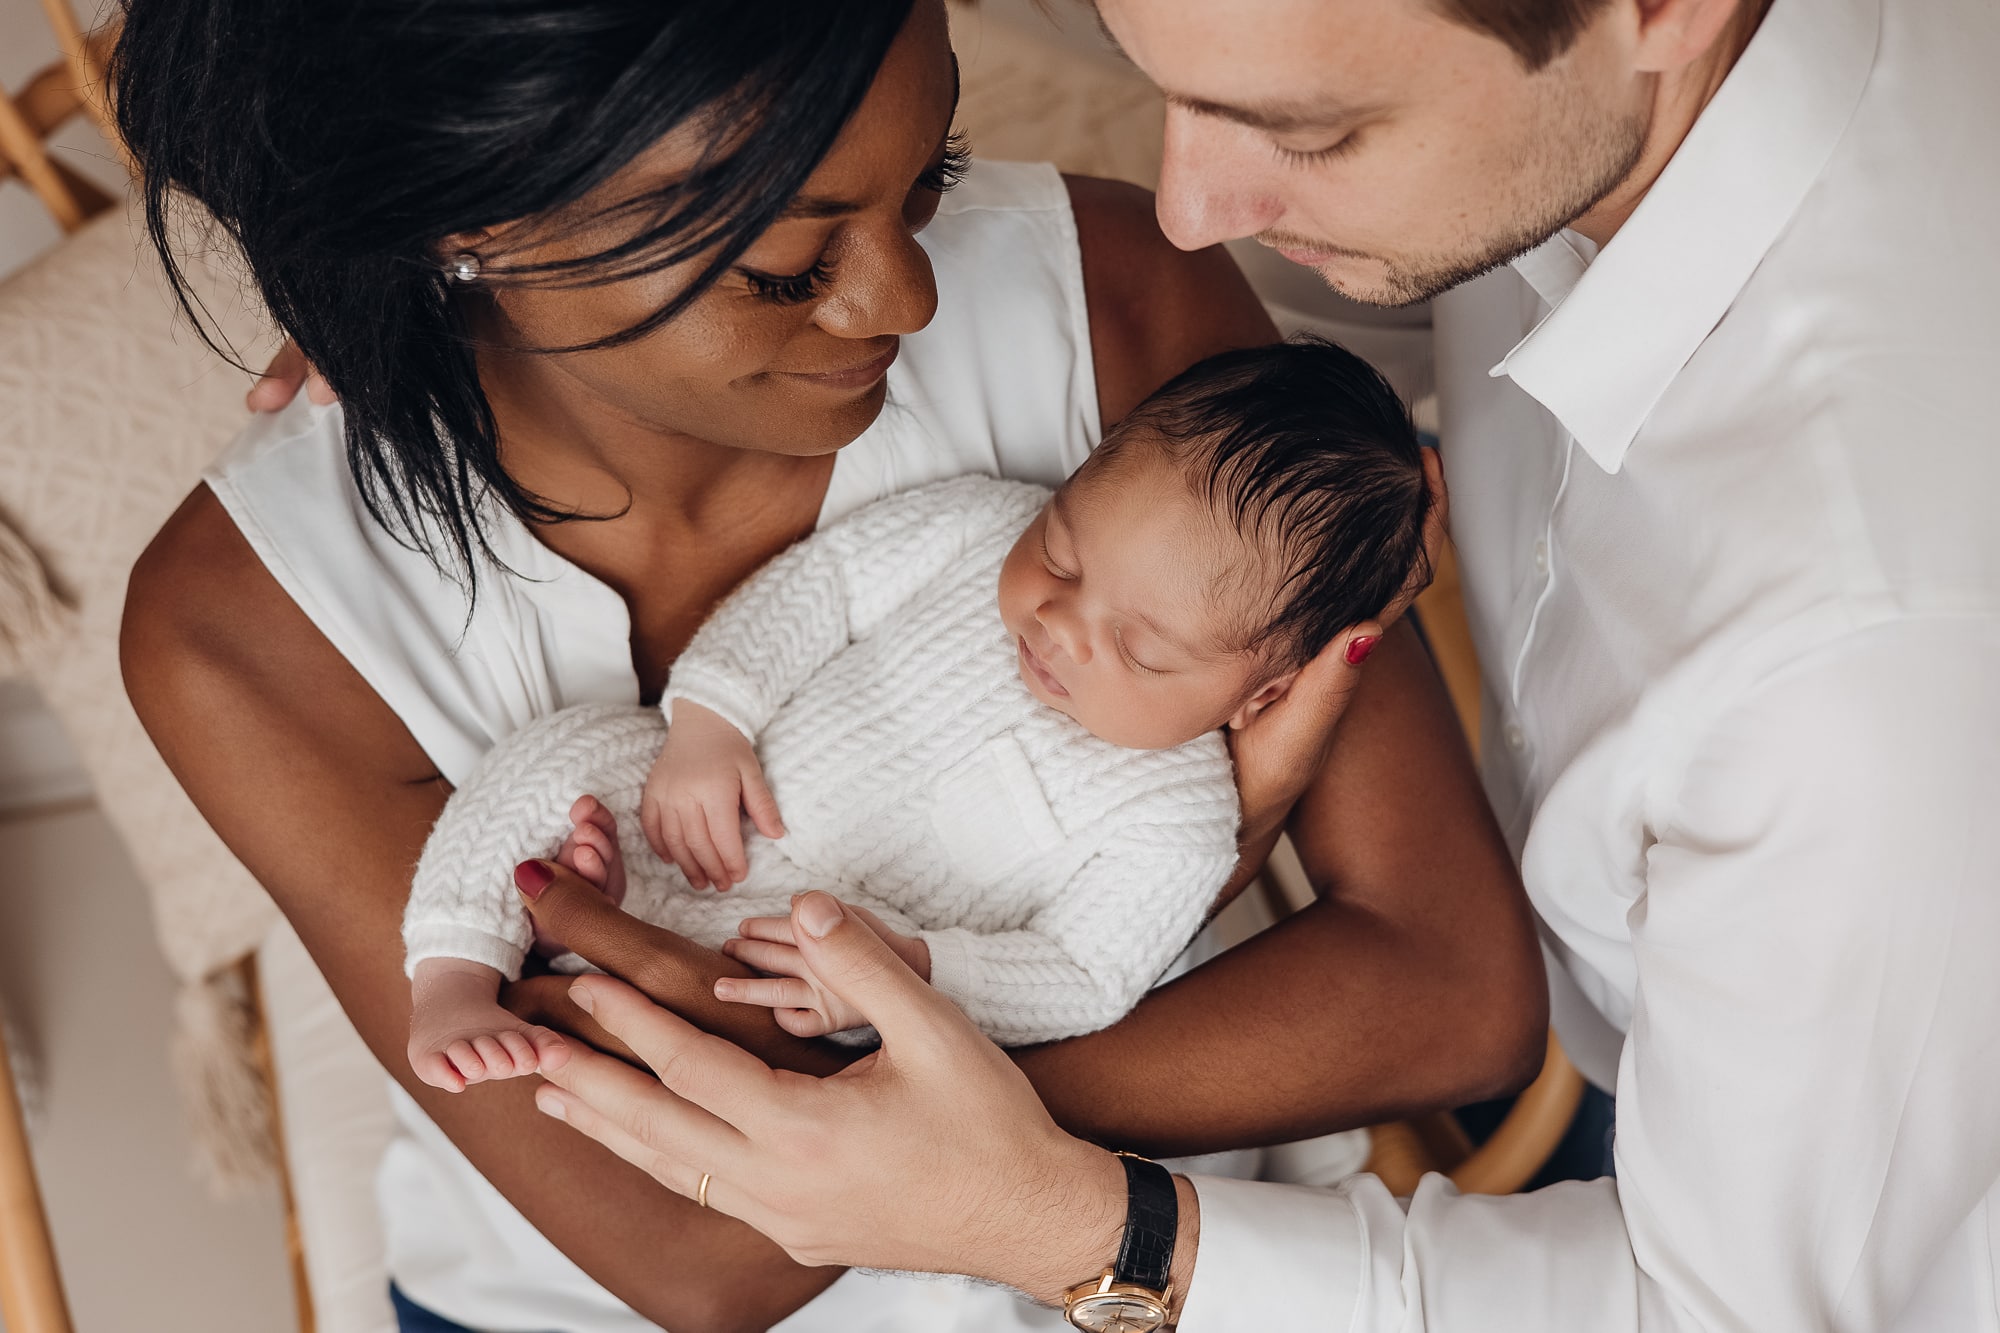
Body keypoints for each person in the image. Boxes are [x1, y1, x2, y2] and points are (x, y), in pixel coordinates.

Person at [527, 0, 2000, 1329]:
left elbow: (1733, 1313)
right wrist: (506, 265)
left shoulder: (1853, 679)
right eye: (1158, 76)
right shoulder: (1584, 109)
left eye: (1312, 130)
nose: (1187, 208)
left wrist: (1066, 1225)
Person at [112, 1, 1543, 1329]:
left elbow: (1458, 994)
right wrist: (1189, 896)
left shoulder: (1116, 306)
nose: (904, 299)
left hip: (1163, 1262)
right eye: (791, 258)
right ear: (472, 219)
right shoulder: (243, 623)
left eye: (934, 171)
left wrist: (948, 1062)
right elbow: (700, 1263)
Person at [402, 339, 1438, 1086]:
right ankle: (454, 969)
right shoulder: (984, 524)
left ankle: (594, 946)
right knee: (566, 755)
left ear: (1257, 694)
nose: (1060, 622)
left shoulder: (1176, 817)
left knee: (758, 1038)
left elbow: (1085, 973)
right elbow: (824, 585)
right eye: (1065, 550)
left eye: (1136, 646)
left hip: (804, 964)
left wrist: (912, 973)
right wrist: (711, 719)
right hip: (699, 798)